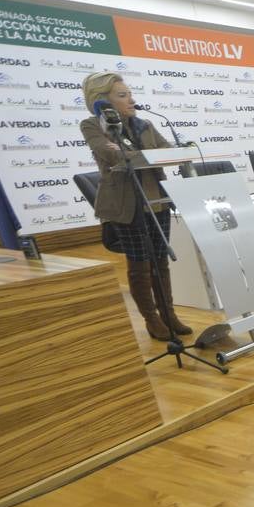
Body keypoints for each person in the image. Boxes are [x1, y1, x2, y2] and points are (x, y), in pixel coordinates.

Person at [79, 71, 189, 340]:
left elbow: (168, 151)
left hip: (158, 201)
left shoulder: (146, 125)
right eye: (122, 95)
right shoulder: (93, 125)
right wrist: (148, 155)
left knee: (160, 261)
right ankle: (151, 318)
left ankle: (168, 313)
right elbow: (110, 153)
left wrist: (151, 154)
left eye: (129, 93)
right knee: (140, 264)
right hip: (126, 205)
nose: (131, 99)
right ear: (101, 101)